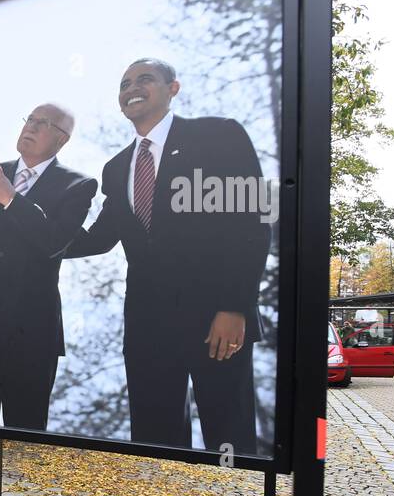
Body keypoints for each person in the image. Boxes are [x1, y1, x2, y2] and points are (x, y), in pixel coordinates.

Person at [63, 58, 271, 452]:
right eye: (124, 83)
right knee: (154, 446)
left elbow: (253, 221)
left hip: (217, 321)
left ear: (172, 88)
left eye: (145, 79)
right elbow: (99, 238)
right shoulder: (116, 167)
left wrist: (235, 307)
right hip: (147, 329)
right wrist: (30, 223)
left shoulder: (219, 135)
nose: (131, 88)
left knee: (230, 441)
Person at [0, 104, 98, 428]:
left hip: (32, 335)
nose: (32, 127)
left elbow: (54, 242)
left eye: (44, 123)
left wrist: (11, 199)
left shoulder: (78, 186)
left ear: (62, 139)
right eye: (31, 119)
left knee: (25, 439)